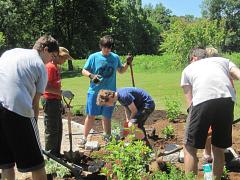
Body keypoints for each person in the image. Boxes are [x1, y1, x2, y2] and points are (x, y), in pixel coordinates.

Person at [0, 35, 59, 180]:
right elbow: (34, 103)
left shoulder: (10, 53)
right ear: (45, 49)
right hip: (18, 111)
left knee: (6, 163)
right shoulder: (40, 66)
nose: (51, 60)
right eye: (52, 55)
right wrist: (34, 130)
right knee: (36, 163)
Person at [181, 48, 240, 179]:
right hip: (227, 100)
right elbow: (238, 74)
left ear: (193, 58)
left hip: (202, 101)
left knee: (189, 147)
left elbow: (190, 103)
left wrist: (197, 126)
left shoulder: (188, 69)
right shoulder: (223, 61)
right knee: (219, 148)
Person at [81, 35, 133, 145]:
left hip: (110, 93)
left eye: (109, 48)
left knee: (107, 116)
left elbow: (121, 70)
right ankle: (84, 138)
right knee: (91, 116)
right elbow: (83, 70)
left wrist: (127, 63)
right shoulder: (93, 57)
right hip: (95, 92)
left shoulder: (115, 57)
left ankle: (108, 138)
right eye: (105, 47)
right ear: (101, 46)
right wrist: (91, 76)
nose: (107, 50)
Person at [42, 47, 74, 158]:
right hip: (49, 101)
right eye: (64, 58)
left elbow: (55, 85)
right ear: (57, 56)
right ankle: (51, 157)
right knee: (52, 129)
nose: (65, 61)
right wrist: (63, 92)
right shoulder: (50, 67)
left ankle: (56, 155)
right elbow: (45, 87)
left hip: (55, 101)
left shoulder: (55, 67)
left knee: (58, 128)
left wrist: (61, 101)